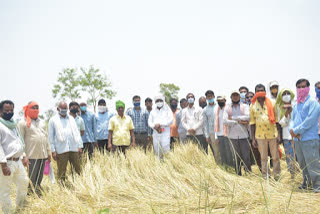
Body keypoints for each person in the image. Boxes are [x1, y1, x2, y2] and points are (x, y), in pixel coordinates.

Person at [290, 79, 320, 192]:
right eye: (299, 87)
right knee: (302, 163)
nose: (301, 89)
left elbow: (310, 121)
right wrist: (292, 130)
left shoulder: (313, 103)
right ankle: (306, 183)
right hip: (298, 140)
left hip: (309, 139)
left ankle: (318, 186)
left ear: (308, 88)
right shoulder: (296, 105)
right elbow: (292, 121)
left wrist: (296, 131)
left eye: (303, 87)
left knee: (313, 163)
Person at [0, 100, 29, 214]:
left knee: (24, 182)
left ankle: (19, 209)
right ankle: (8, 212)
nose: (9, 112)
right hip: (7, 163)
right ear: (0, 111)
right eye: (6, 110)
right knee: (5, 191)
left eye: (11, 110)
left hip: (18, 161)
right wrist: (3, 164)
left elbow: (19, 142)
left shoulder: (13, 124)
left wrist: (24, 156)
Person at [18, 101, 51, 195]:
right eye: (33, 108)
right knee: (31, 178)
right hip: (31, 156)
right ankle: (30, 195)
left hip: (43, 155)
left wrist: (49, 152)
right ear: (27, 109)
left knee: (40, 177)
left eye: (37, 108)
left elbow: (46, 137)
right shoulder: (22, 123)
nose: (36, 110)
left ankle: (37, 193)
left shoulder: (42, 122)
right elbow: (20, 140)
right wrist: (23, 156)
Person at [250, 84, 281, 180]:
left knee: (275, 156)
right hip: (260, 136)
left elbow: (277, 120)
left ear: (265, 91)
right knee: (263, 158)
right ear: (255, 93)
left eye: (262, 90)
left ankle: (277, 176)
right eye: (258, 91)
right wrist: (253, 138)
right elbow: (252, 123)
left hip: (272, 134)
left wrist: (279, 135)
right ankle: (266, 176)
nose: (260, 92)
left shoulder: (272, 103)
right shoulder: (252, 105)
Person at [49, 101, 83, 182]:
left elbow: (76, 133)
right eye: (62, 109)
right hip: (61, 149)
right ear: (58, 109)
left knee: (77, 169)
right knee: (61, 171)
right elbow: (51, 137)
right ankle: (62, 187)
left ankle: (78, 185)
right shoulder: (53, 120)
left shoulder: (71, 119)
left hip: (73, 147)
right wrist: (53, 151)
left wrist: (79, 146)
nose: (64, 110)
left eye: (65, 109)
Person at [224, 91, 251, 175]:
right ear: (231, 97)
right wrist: (238, 121)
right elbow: (225, 121)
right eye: (233, 96)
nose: (235, 97)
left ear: (239, 97)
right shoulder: (227, 108)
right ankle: (238, 174)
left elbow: (248, 117)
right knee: (236, 157)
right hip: (232, 136)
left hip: (244, 136)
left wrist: (233, 118)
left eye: (237, 95)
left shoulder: (245, 106)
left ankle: (248, 174)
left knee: (246, 156)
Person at [276, 88, 296, 178]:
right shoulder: (280, 108)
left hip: (296, 135)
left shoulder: (295, 105)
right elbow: (281, 123)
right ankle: (292, 174)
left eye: (288, 93)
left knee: (297, 155)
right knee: (289, 155)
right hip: (286, 135)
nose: (286, 95)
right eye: (284, 94)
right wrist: (286, 113)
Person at [203, 90, 221, 164]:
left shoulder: (219, 106)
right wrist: (207, 136)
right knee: (216, 152)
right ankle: (219, 167)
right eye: (208, 96)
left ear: (214, 96)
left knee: (224, 151)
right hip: (212, 133)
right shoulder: (205, 109)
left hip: (221, 132)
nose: (210, 97)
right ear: (206, 98)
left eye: (211, 96)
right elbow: (205, 124)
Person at [215, 96, 233, 167]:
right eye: (218, 101)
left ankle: (231, 167)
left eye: (222, 100)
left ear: (225, 100)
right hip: (219, 135)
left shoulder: (229, 109)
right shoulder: (216, 110)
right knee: (222, 153)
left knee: (229, 153)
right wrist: (216, 136)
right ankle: (225, 167)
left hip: (228, 134)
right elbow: (215, 123)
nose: (220, 102)